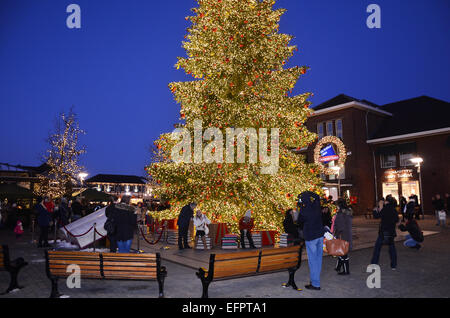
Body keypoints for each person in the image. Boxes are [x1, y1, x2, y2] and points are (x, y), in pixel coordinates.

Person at [297, 191, 324, 290]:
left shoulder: (304, 210)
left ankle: (315, 284)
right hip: (320, 236)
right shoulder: (316, 205)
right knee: (318, 260)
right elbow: (317, 197)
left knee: (313, 261)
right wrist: (308, 193)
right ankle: (315, 281)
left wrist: (300, 207)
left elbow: (299, 221)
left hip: (311, 237)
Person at [370, 196, 399, 270]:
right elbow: (396, 220)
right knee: (392, 248)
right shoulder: (394, 210)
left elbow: (377, 216)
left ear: (387, 202)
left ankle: (374, 263)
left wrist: (375, 210)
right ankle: (393, 265)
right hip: (391, 232)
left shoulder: (385, 209)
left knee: (377, 248)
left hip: (383, 232)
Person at [333, 198, 353, 275]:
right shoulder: (347, 212)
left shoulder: (341, 214)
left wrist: (335, 233)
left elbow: (340, 226)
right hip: (347, 235)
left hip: (342, 236)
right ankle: (338, 267)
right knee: (342, 252)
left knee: (343, 253)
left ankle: (346, 270)